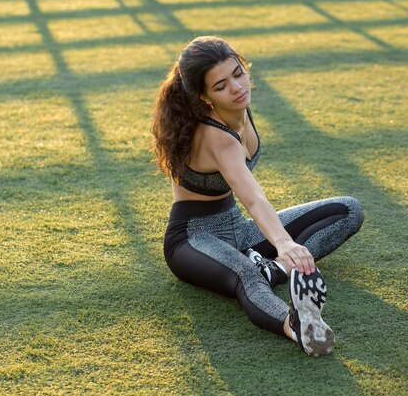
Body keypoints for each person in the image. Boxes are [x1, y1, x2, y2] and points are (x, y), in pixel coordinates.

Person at [151, 36, 364, 356]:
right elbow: (254, 199)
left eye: (238, 73)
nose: (237, 87)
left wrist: (283, 247)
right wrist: (285, 243)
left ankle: (275, 269)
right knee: (246, 277)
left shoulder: (239, 109)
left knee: (348, 210)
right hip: (193, 240)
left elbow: (248, 207)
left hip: (237, 228)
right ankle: (297, 326)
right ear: (204, 97)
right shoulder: (216, 137)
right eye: (221, 85)